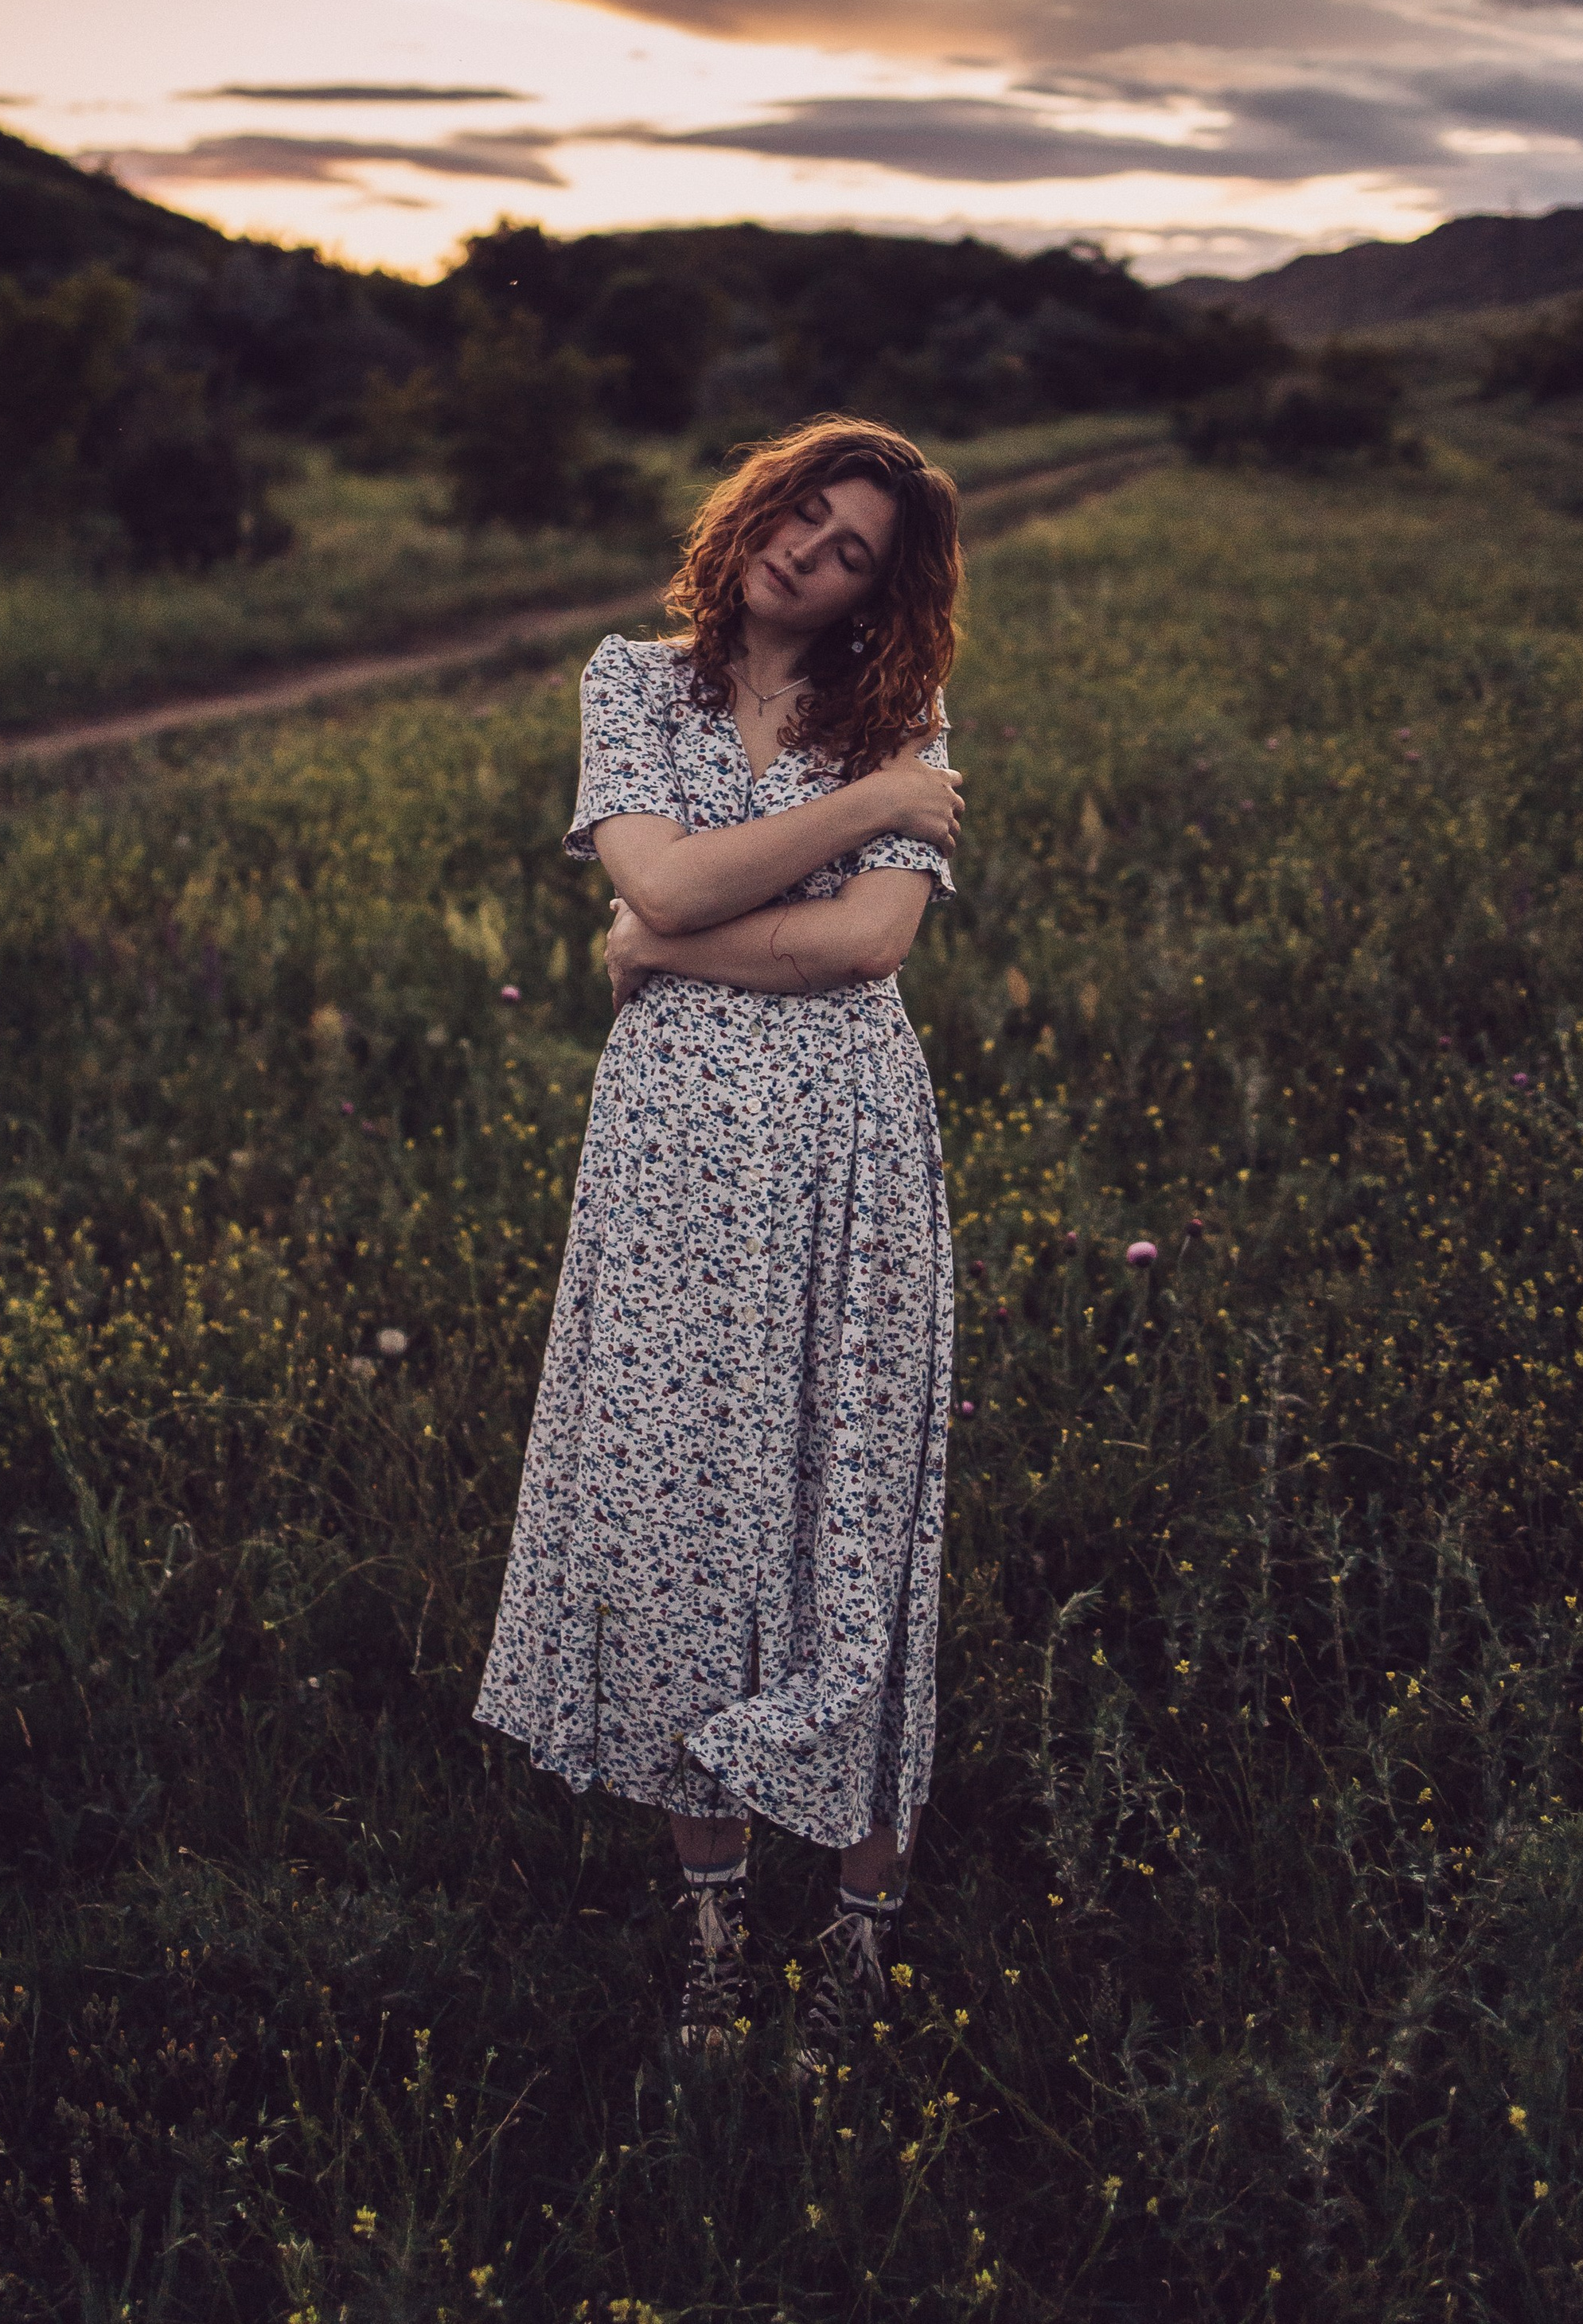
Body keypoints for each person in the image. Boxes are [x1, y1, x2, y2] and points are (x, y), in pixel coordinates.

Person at [474, 414, 966, 2065]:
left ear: (876, 595)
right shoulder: (630, 682)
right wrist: (859, 815)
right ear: (753, 505)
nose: (812, 556)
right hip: (674, 1157)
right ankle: (710, 1926)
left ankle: (857, 1932)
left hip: (847, 1154)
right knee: (682, 1510)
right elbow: (658, 888)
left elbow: (870, 945)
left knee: (853, 1507)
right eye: (801, 517)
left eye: (852, 555)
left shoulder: (897, 714)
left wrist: (668, 925)